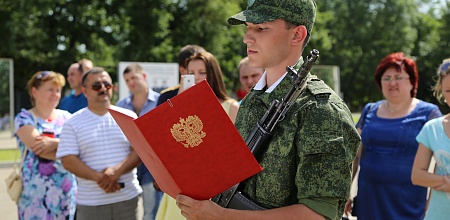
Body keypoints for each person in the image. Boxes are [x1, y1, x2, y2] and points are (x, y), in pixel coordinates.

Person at [175, 0, 360, 219]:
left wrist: (220, 216)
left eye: (261, 28)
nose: (247, 38)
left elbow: (317, 214)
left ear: (297, 35)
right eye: (248, 27)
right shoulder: (253, 99)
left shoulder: (321, 109)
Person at [345, 52, 442, 219]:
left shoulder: (429, 114)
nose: (392, 83)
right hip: (369, 203)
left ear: (412, 81)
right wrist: (344, 191)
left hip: (408, 205)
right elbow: (353, 155)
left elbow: (441, 162)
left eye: (398, 77)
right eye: (386, 78)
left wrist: (432, 204)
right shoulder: (369, 110)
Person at [156, 51, 240, 220]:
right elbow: (165, 145)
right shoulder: (178, 105)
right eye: (191, 73)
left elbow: (234, 156)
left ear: (213, 74)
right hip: (179, 187)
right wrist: (181, 98)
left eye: (202, 72)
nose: (196, 77)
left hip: (212, 191)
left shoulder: (231, 107)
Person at [56, 67, 142, 220]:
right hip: (91, 203)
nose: (103, 88)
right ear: (85, 91)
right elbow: (68, 160)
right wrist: (100, 178)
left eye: (107, 85)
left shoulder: (129, 116)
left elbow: (140, 151)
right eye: (96, 86)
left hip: (127, 198)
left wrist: (117, 172)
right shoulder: (72, 123)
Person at [14, 71, 76, 219]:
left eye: (58, 90)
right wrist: (71, 152)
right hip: (35, 199)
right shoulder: (24, 118)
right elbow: (40, 150)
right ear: (34, 91)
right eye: (50, 89)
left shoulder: (67, 117)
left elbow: (81, 145)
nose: (55, 94)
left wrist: (55, 142)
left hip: (66, 196)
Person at [116, 63, 162, 220]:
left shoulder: (159, 101)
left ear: (144, 76)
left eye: (134, 77)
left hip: (152, 165)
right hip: (129, 164)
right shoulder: (121, 105)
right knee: (131, 211)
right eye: (127, 80)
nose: (131, 83)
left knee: (151, 211)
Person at [411, 59, 450, 219]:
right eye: (449, 90)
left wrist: (437, 181)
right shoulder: (432, 128)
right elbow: (417, 176)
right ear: (442, 92)